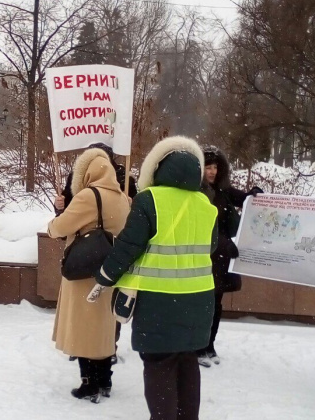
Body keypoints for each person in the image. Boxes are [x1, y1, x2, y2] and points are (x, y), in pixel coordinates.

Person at [88, 136, 218, 420]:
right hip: (199, 299)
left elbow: (128, 246)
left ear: (158, 169)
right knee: (187, 361)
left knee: (159, 362)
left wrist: (104, 276)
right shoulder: (206, 203)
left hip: (159, 300)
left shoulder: (150, 199)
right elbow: (212, 246)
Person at [46, 147, 131, 403]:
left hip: (85, 271)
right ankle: (105, 380)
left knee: (85, 329)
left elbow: (59, 227)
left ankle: (89, 383)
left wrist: (54, 223)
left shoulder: (88, 196)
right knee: (105, 328)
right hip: (111, 270)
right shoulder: (122, 198)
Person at [198, 145, 262, 367]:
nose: (212, 171)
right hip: (203, 258)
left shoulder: (223, 190)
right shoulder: (196, 193)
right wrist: (224, 244)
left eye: (215, 167)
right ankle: (198, 347)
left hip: (221, 260)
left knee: (216, 304)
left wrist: (253, 195)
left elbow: (244, 199)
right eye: (208, 167)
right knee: (203, 305)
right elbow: (201, 226)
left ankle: (209, 345)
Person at [53, 143, 137, 214]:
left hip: (114, 228)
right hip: (83, 227)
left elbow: (137, 212)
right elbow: (68, 205)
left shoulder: (124, 178)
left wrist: (131, 205)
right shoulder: (77, 177)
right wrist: (59, 205)